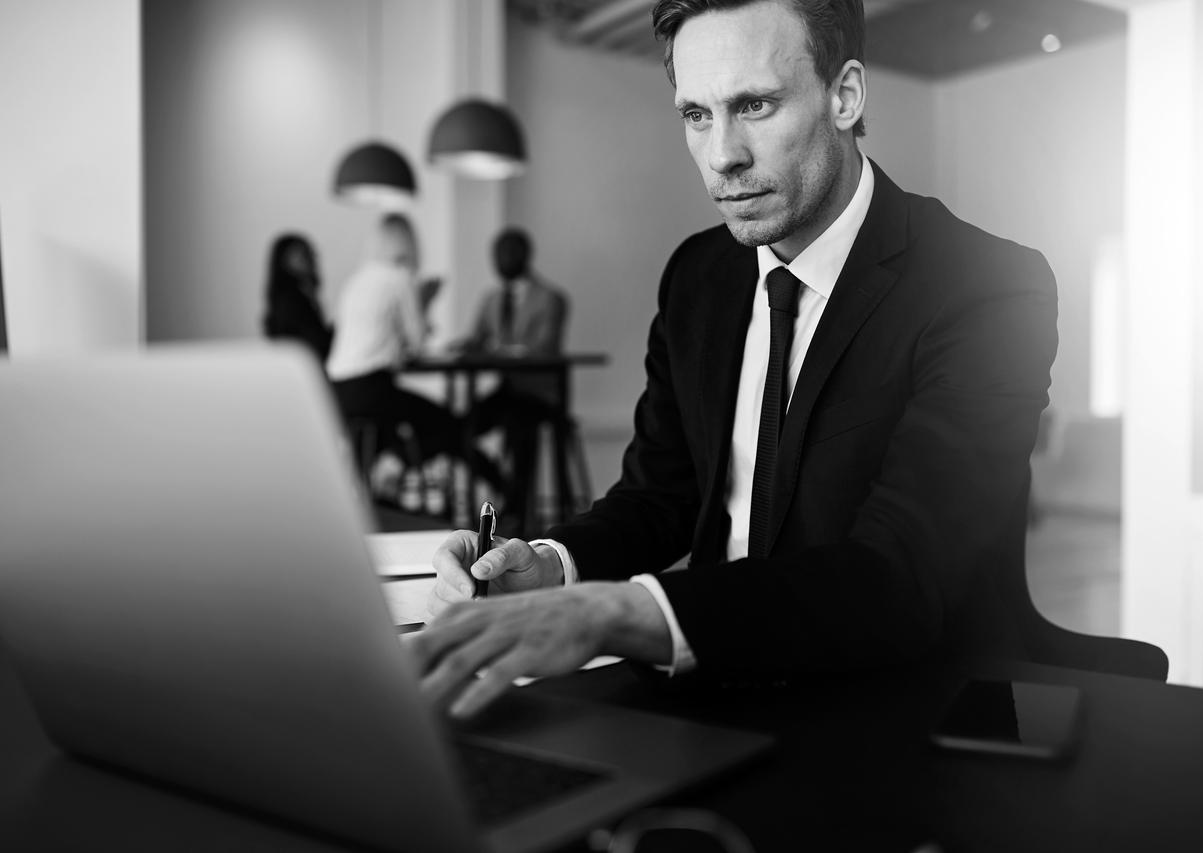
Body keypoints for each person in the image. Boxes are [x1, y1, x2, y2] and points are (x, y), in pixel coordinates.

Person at [409, 0, 1058, 719]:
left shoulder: (987, 284)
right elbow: (659, 496)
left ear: (843, 96)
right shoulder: (697, 276)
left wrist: (610, 614)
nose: (722, 155)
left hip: (906, 729)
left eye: (754, 105)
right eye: (696, 115)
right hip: (709, 699)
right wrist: (552, 566)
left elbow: (901, 578)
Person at [326, 214, 503, 502]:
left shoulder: (356, 280)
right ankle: (499, 487)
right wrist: (425, 300)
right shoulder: (400, 277)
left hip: (340, 391)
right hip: (371, 387)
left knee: (420, 426)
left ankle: (386, 477)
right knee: (449, 425)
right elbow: (418, 341)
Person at [460, 228, 570, 532]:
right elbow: (477, 339)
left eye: (509, 253)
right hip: (507, 390)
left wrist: (500, 350)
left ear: (524, 256)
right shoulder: (491, 298)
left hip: (539, 395)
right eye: (497, 253)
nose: (502, 260)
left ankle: (518, 516)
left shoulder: (550, 298)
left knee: (519, 427)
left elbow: (544, 347)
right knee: (464, 428)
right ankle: (505, 491)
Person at [262, 233, 333, 362]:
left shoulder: (303, 294)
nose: (310, 259)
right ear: (283, 261)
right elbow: (315, 341)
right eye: (303, 254)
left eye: (310, 253)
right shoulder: (290, 301)